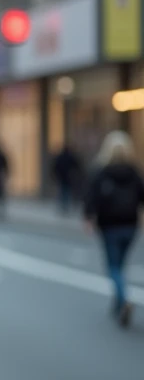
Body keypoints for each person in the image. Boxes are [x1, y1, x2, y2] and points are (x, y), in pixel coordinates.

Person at [82, 131, 144, 329]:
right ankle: (118, 302)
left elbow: (92, 197)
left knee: (114, 267)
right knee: (120, 264)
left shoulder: (102, 171)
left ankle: (122, 299)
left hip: (110, 225)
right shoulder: (134, 172)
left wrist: (88, 218)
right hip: (130, 225)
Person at [52, 144, 81, 215]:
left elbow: (55, 167)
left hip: (63, 177)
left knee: (63, 192)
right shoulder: (69, 157)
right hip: (67, 177)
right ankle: (65, 207)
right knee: (66, 192)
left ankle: (63, 207)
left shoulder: (60, 157)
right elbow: (77, 165)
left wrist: (55, 175)